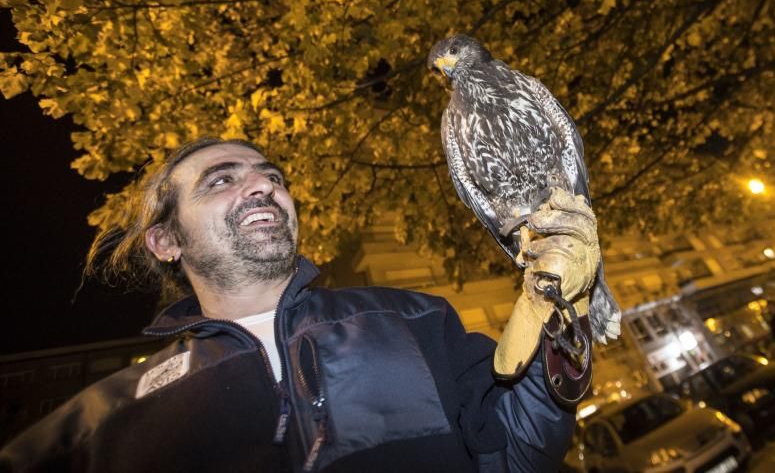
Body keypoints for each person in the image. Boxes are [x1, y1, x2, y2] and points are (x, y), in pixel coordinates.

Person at [0, 138, 601, 472]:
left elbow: (519, 453)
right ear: (167, 241)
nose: (262, 186)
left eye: (271, 176)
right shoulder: (101, 422)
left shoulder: (415, 317)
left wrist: (558, 316)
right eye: (221, 180)